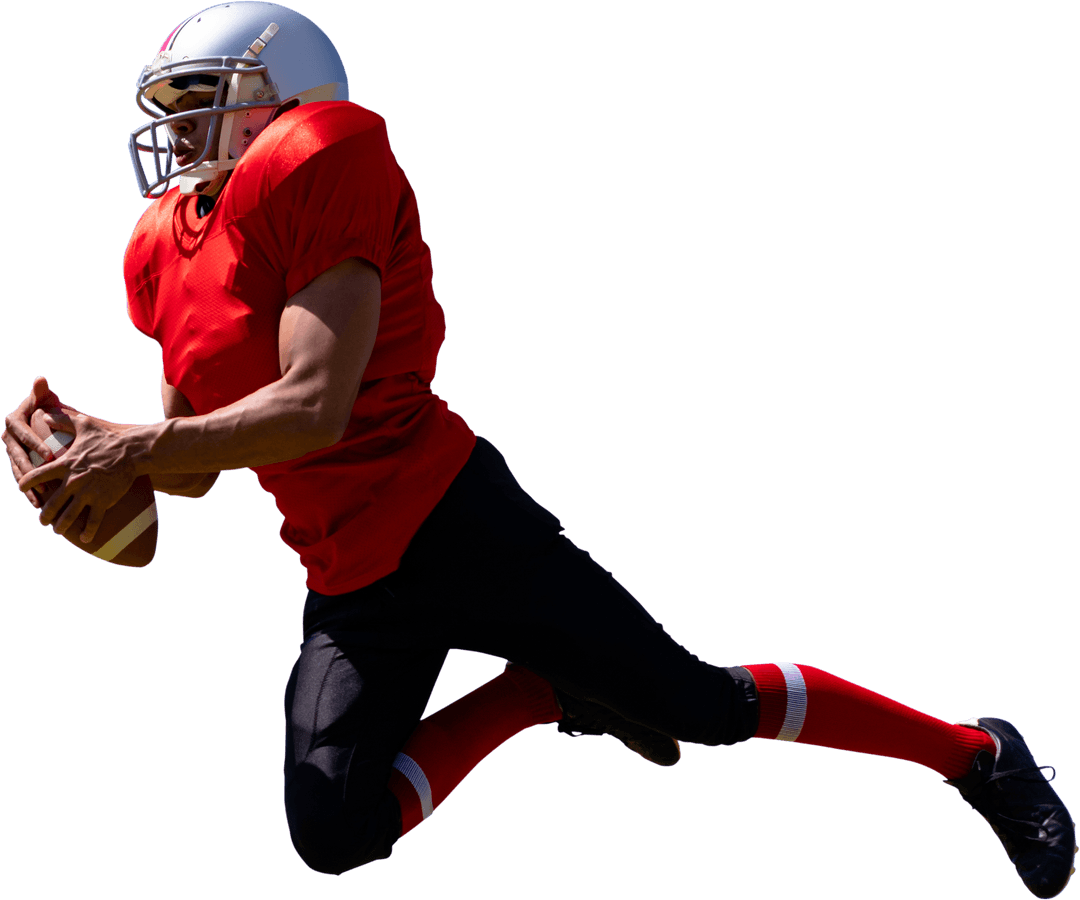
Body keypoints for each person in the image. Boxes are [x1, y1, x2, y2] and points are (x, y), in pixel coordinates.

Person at [3, 2, 1075, 896]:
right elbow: (191, 470)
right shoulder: (163, 247)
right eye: (172, 112)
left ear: (281, 99)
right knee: (334, 833)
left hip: (453, 521)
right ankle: (538, 693)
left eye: (203, 106)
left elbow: (315, 406)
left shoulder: (317, 159)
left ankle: (977, 753)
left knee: (704, 706)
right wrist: (91, 471)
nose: (182, 135)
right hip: (346, 568)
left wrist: (136, 444)